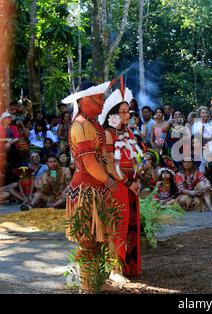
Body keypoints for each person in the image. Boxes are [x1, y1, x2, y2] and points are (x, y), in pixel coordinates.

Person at [62, 80, 121, 292]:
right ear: (87, 99)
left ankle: (95, 280)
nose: (104, 102)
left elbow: (103, 157)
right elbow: (89, 162)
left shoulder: (92, 123)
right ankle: (86, 286)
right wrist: (108, 181)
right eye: (100, 98)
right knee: (88, 241)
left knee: (99, 239)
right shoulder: (81, 124)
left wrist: (111, 178)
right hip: (87, 191)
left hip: (96, 190)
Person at [99, 87, 142, 281]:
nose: (127, 114)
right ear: (113, 114)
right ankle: (114, 270)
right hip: (118, 187)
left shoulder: (129, 133)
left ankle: (127, 267)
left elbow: (133, 159)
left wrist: (137, 177)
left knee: (131, 226)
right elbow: (109, 166)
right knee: (117, 226)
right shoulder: (108, 134)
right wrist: (129, 182)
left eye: (128, 111)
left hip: (131, 185)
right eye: (123, 111)